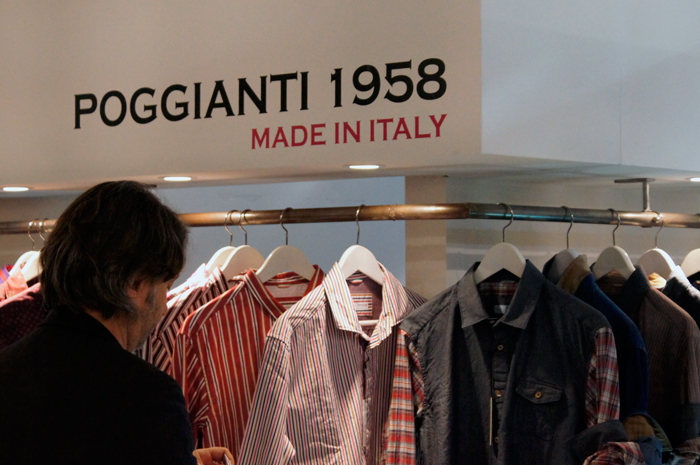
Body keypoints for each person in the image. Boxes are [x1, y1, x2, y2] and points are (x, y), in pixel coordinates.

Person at [0, 181, 234, 465]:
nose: (164, 306)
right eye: (166, 285)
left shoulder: (7, 370)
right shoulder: (147, 396)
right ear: (135, 283)